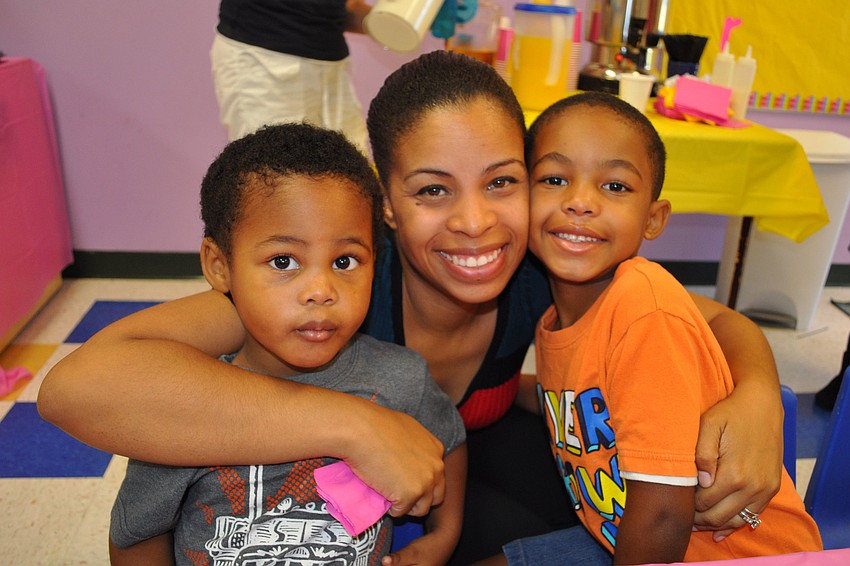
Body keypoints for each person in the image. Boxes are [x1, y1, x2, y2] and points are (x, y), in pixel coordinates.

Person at [39, 51, 785, 565]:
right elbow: (78, 388)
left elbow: (711, 323)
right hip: (356, 500)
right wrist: (359, 425)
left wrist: (756, 397)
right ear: (385, 206)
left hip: (464, 474)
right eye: (433, 190)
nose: (474, 222)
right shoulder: (339, 288)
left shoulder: (539, 267)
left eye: (501, 182)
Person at [108, 123, 467, 566]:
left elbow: (448, 439)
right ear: (220, 265)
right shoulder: (186, 405)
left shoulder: (401, 377)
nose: (320, 289)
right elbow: (135, 535)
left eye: (344, 261)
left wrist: (442, 537)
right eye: (284, 261)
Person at [500, 92, 822, 564]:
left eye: (615, 187)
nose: (580, 202)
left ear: (654, 219)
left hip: (735, 553)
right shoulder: (557, 316)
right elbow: (572, 397)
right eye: (554, 178)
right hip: (625, 538)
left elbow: (663, 518)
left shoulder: (643, 308)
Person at [211, 0, 370, 150]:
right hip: (264, 62)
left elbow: (343, 7)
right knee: (275, 169)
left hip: (331, 65)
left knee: (352, 165)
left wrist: (387, 20)